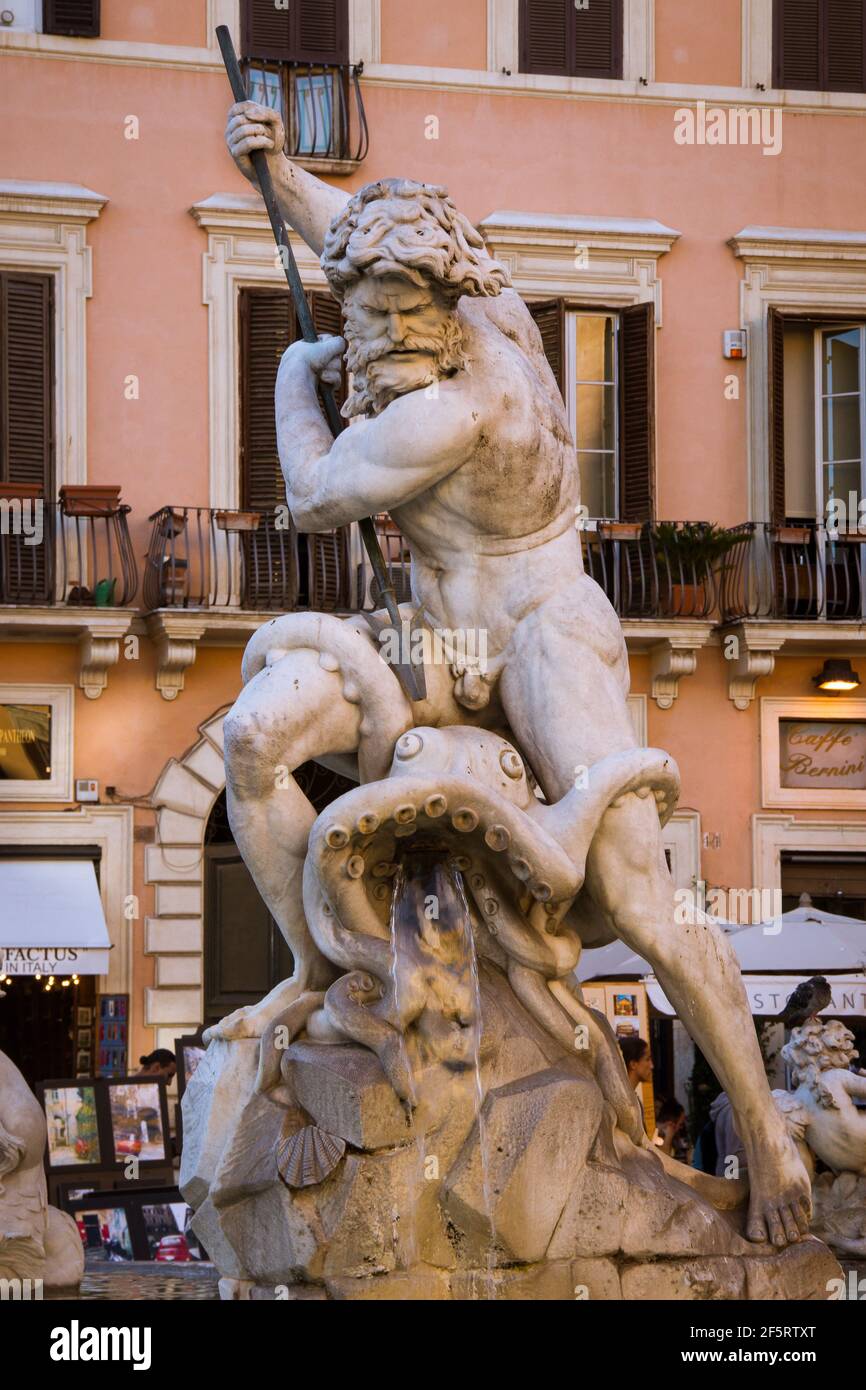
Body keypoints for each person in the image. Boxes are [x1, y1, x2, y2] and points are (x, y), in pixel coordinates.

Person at [208, 98, 813, 1247]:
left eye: (390, 317)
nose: (369, 336)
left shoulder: (460, 399)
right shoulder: (461, 274)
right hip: (429, 638)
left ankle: (763, 1125)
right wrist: (276, 172)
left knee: (636, 888)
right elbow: (357, 224)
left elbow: (316, 490)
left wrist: (295, 372)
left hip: (538, 626)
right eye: (355, 312)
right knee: (251, 738)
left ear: (445, 308)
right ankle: (305, 967)